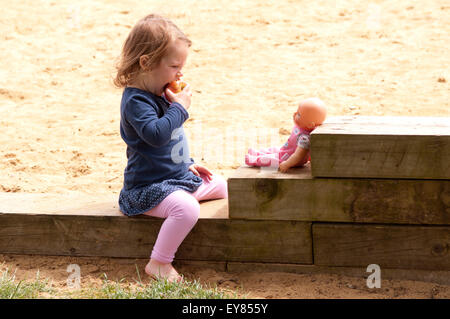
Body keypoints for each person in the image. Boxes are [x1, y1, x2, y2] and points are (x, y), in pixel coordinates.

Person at [114, 14, 228, 282]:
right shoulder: (136, 102)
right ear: (146, 62)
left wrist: (187, 162)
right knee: (187, 209)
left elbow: (172, 140)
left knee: (221, 185)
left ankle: (181, 196)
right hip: (146, 188)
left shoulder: (161, 93)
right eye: (175, 65)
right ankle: (159, 263)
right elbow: (156, 135)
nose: (180, 73)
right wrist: (179, 108)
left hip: (174, 177)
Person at [245, 97, 327, 172]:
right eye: (297, 111)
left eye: (299, 114)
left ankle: (253, 159)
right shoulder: (301, 126)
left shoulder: (305, 138)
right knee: (274, 149)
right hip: (285, 150)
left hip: (290, 159)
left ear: (310, 125)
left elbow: (298, 156)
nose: (295, 114)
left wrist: (287, 164)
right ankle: (257, 153)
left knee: (272, 159)